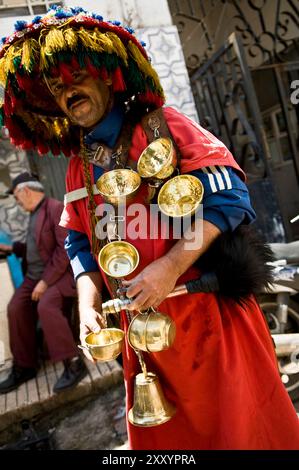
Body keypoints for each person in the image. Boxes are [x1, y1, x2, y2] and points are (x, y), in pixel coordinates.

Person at [0, 5, 298, 450]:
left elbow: (230, 199)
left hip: (210, 323)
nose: (69, 91)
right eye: (58, 86)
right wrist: (86, 303)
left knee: (244, 433)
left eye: (78, 76)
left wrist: (171, 267)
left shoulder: (164, 127)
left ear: (107, 77)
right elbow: (79, 240)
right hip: (145, 346)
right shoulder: (78, 169)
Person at [0, 172, 88, 394]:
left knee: (46, 305)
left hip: (59, 275)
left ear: (25, 191)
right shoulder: (34, 213)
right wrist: (13, 249)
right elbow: (37, 248)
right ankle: (25, 366)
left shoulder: (55, 208)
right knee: (15, 308)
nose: (17, 202)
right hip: (35, 276)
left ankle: (74, 364)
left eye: (17, 196)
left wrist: (44, 283)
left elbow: (63, 251)